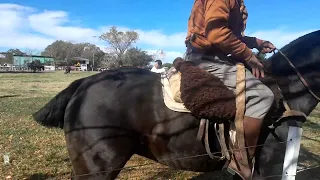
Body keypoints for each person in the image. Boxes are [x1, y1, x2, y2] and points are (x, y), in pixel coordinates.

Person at [184, 0, 275, 177]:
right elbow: (216, 33)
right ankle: (240, 162)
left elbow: (229, 34)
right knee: (262, 96)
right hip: (207, 59)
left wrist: (257, 42)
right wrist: (249, 56)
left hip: (214, 56)